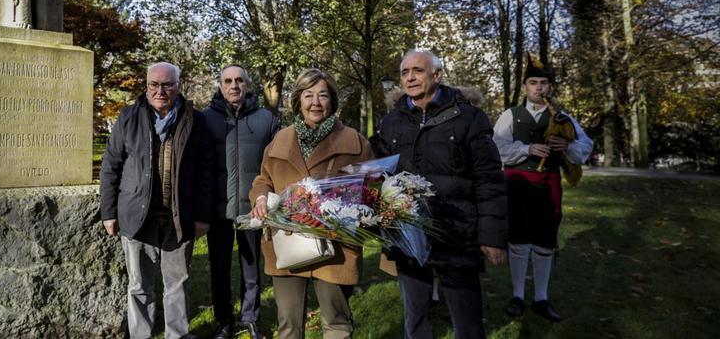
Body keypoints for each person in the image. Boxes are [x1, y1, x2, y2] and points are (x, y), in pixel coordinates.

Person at [371, 49, 507, 339]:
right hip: (409, 232)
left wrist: (492, 236)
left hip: (457, 232)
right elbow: (380, 168)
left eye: (417, 71)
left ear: (437, 75)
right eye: (405, 72)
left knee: (467, 320)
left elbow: (490, 180)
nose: (410, 77)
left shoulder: (469, 117)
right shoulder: (392, 121)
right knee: (415, 318)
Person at [249, 69, 371, 339]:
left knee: (337, 325)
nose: (315, 102)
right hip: (287, 243)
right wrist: (259, 197)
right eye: (308, 95)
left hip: (336, 246)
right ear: (298, 100)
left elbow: (370, 188)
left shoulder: (354, 141)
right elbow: (263, 180)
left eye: (323, 95)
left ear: (332, 101)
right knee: (289, 326)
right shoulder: (280, 140)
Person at [99, 62, 213, 339]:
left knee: (177, 283)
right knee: (139, 284)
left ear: (178, 85)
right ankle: (141, 335)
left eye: (167, 84)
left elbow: (205, 172)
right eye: (154, 84)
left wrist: (201, 216)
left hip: (179, 217)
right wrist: (108, 212)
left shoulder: (194, 120)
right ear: (146, 86)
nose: (160, 90)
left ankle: (177, 334)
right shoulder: (129, 117)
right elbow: (111, 166)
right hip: (137, 217)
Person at [493, 54, 593, 322]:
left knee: (545, 241)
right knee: (518, 240)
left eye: (544, 83)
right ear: (525, 87)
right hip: (518, 185)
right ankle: (517, 295)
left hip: (549, 184)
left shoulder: (562, 117)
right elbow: (495, 149)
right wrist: (527, 148)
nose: (538, 88)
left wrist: (568, 146)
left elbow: (586, 146)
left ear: (550, 87)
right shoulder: (510, 116)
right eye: (533, 82)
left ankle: (541, 298)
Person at [203, 65, 279, 339]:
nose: (234, 85)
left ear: (247, 85)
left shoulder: (265, 120)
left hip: (252, 209)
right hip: (217, 209)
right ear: (221, 86)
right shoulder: (205, 119)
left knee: (251, 268)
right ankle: (224, 321)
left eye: (239, 81)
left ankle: (251, 317)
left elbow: (274, 165)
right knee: (219, 268)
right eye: (228, 81)